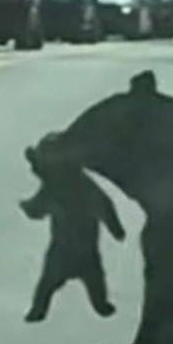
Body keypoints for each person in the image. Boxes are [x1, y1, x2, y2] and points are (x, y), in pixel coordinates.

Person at [19, 136, 124, 323]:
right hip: (82, 248)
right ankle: (100, 304)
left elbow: (37, 209)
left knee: (50, 283)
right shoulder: (78, 185)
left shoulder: (57, 186)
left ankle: (40, 309)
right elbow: (105, 207)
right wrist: (115, 228)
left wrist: (29, 208)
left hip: (65, 249)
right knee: (90, 280)